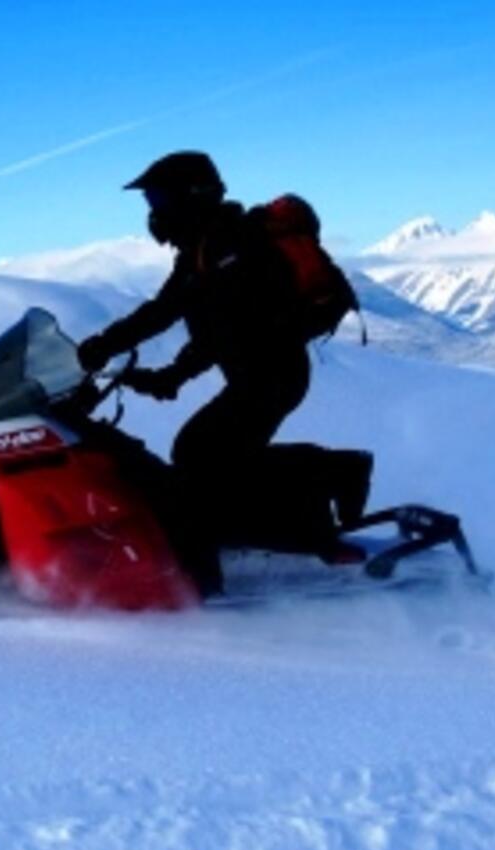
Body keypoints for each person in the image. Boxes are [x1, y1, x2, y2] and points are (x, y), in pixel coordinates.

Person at [77, 151, 369, 568]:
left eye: (158, 199)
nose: (153, 212)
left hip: (272, 374)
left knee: (201, 456)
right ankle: (274, 521)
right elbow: (215, 330)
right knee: (209, 455)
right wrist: (171, 376)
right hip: (261, 374)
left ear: (191, 195)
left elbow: (172, 315)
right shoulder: (206, 249)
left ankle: (333, 478)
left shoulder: (228, 247)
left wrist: (104, 347)